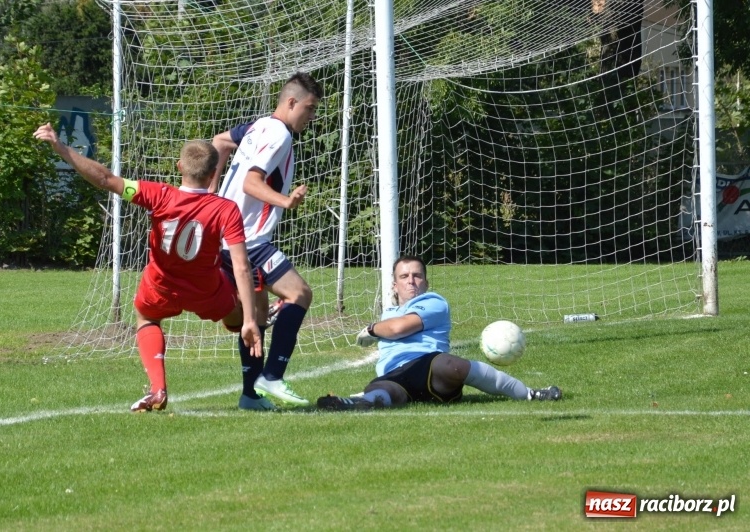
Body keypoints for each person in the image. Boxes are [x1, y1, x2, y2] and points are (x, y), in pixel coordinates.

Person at [33, 123, 262, 412]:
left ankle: (157, 389)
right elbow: (242, 266)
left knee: (145, 318)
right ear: (214, 172)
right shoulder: (225, 208)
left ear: (180, 166)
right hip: (207, 290)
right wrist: (251, 319)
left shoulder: (158, 195)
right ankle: (246, 345)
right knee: (244, 310)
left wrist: (60, 146)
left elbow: (105, 179)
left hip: (161, 286)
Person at [210, 72, 323, 411]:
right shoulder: (280, 136)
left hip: (228, 236)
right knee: (299, 294)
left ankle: (250, 395)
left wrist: (212, 193)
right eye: (310, 108)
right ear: (291, 102)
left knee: (256, 312)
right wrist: (286, 200)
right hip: (249, 238)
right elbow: (250, 183)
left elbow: (219, 141)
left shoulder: (258, 126)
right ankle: (272, 375)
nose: (311, 116)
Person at [317, 255, 562, 410]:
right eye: (404, 276)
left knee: (450, 364)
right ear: (394, 284)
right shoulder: (388, 312)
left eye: (417, 275)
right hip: (395, 373)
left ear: (426, 282)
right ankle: (353, 403)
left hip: (429, 367)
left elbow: (399, 328)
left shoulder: (435, 302)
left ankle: (529, 394)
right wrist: (379, 328)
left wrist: (372, 330)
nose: (411, 280)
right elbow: (391, 325)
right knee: (383, 393)